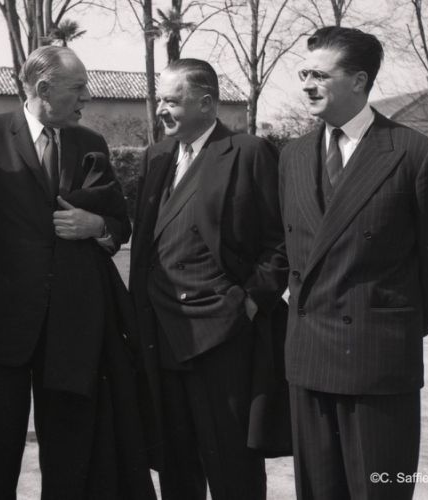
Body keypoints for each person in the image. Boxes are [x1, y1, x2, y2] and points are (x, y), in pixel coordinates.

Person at [278, 26, 428, 500]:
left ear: (359, 80)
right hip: (307, 361)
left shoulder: (416, 154)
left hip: (377, 364)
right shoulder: (292, 156)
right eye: (304, 74)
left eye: (320, 75)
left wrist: (389, 321)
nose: (307, 85)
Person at [0, 46, 155, 499]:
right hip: (2, 330)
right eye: (78, 88)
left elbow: (120, 223)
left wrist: (96, 226)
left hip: (71, 331)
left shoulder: (91, 143)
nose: (87, 97)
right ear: (44, 89)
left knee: (71, 458)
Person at [129, 58, 290, 500]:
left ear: (205, 103)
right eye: (160, 100)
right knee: (176, 467)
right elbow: (145, 245)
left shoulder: (248, 152)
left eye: (172, 101)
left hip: (223, 339)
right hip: (161, 336)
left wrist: (249, 302)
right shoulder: (157, 157)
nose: (161, 109)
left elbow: (281, 241)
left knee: (232, 467)